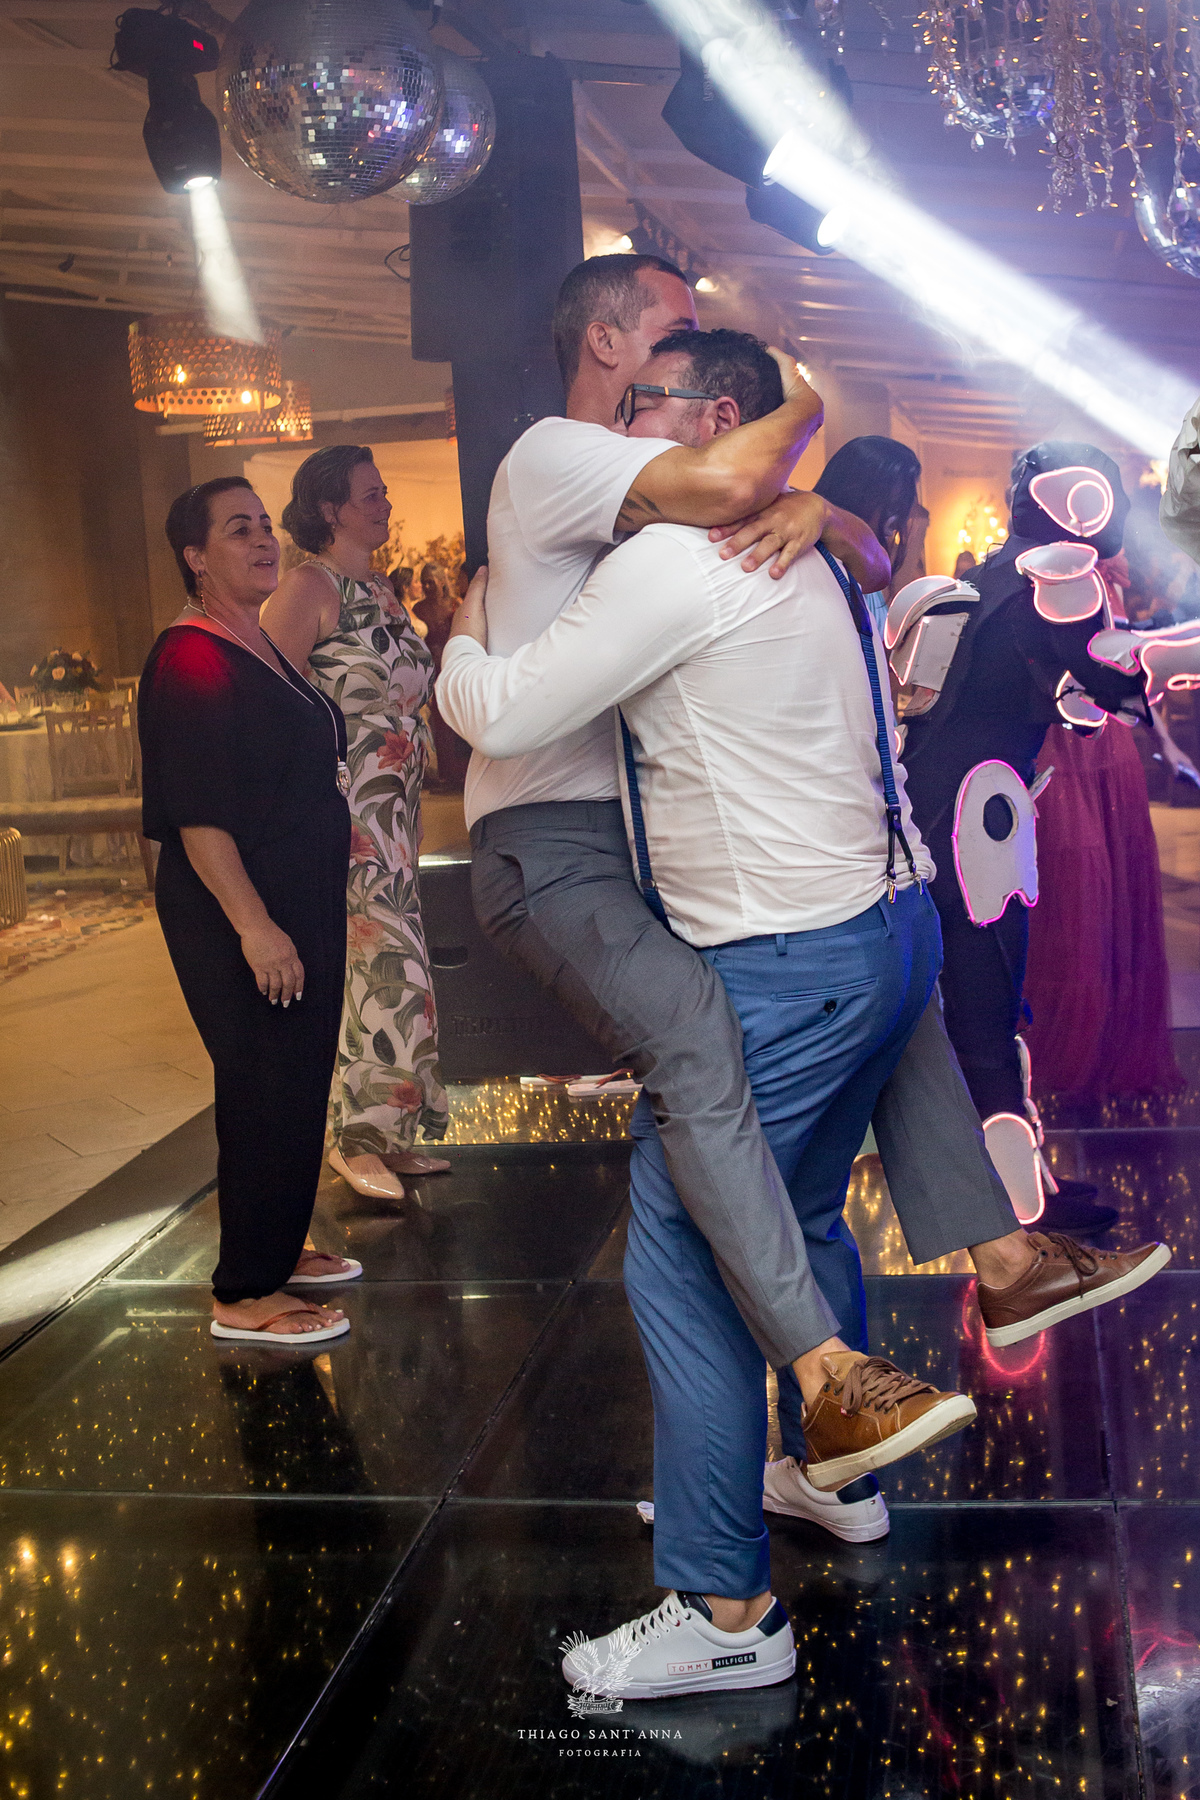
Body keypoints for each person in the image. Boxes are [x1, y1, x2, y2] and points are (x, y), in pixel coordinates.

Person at [439, 330, 1169, 1700]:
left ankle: (723, 1608)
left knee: (688, 1267)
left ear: (715, 418)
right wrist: (823, 499)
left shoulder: (679, 560)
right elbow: (867, 555)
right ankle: (849, 1462)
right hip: (893, 933)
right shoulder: (821, 550)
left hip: (793, 961)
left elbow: (510, 713)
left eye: (648, 406)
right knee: (804, 1207)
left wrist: (465, 636)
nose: (627, 431)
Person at [900, 443, 1162, 1229]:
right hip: (974, 815)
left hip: (955, 809)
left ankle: (1024, 1192)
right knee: (985, 1011)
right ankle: (1017, 1212)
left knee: (986, 1006)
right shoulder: (1051, 580)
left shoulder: (995, 576)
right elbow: (1125, 684)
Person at [139, 477, 359, 1343]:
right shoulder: (189, 657)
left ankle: (275, 1247)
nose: (265, 539)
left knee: (297, 1075)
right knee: (263, 1082)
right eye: (239, 529)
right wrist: (255, 926)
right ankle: (243, 1295)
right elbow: (199, 815)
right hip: (238, 908)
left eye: (266, 524)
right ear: (195, 556)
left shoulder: (255, 640)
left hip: (295, 897)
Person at [263, 447, 450, 1201]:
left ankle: (392, 1126)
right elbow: (269, 702)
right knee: (379, 965)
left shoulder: (380, 589)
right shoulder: (309, 586)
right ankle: (352, 1137)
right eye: (370, 495)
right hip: (345, 813)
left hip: (395, 807)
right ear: (330, 508)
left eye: (384, 492)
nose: (386, 504)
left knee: (403, 965)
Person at [1023, 549, 1184, 1109]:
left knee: (1114, 896)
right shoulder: (1032, 575)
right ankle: (1066, 1045)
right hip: (1058, 743)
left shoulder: (1103, 580)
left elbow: (1125, 676)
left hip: (1107, 746)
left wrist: (1163, 742)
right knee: (1077, 896)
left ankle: (1106, 1042)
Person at [813, 435, 923, 635]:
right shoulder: (817, 567)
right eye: (891, 507)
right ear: (855, 496)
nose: (897, 521)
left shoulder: (866, 565)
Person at [414, 561, 472, 790]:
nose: (427, 586)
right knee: (438, 723)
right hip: (431, 670)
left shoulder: (455, 605)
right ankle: (445, 774)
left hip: (452, 666)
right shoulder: (418, 609)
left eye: (431, 582)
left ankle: (462, 773)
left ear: (441, 582)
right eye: (424, 582)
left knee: (457, 717)